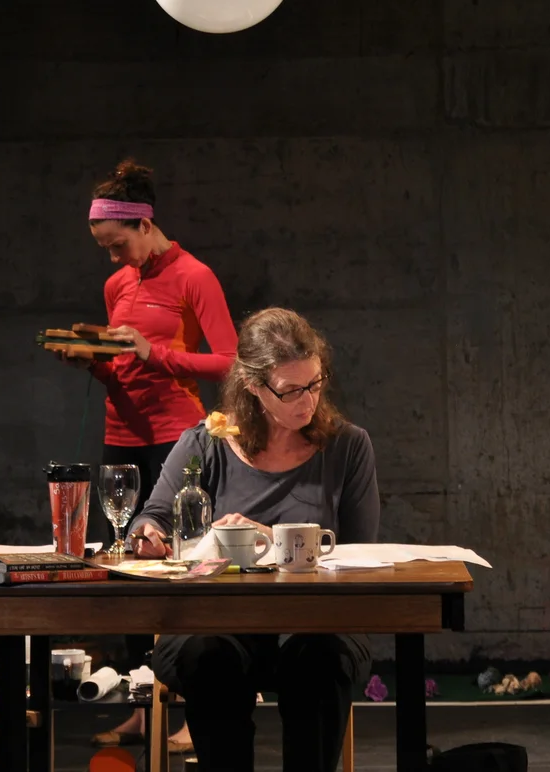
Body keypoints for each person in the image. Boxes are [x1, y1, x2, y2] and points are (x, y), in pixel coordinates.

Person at [128, 307, 380, 772]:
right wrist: (148, 533)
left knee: (321, 662)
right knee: (208, 657)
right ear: (252, 385)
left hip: (318, 621)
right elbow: (153, 516)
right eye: (290, 390)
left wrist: (275, 541)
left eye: (315, 383)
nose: (307, 400)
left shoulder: (347, 446)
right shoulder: (207, 442)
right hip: (218, 619)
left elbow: (360, 555)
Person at [62, 159, 238, 751]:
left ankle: (188, 712)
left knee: (179, 569)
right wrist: (93, 363)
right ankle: (144, 705)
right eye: (105, 249)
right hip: (122, 435)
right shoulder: (118, 285)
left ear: (143, 223)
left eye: (118, 244)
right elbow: (123, 372)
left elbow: (231, 362)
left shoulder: (194, 277)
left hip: (177, 437)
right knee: (128, 572)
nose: (113, 258)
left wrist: (155, 353)